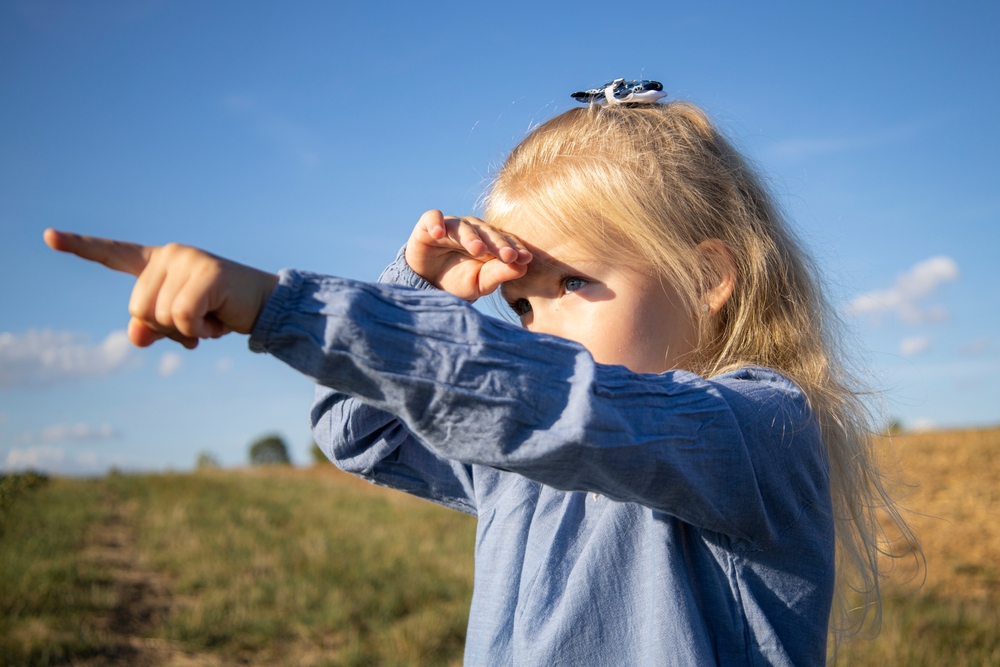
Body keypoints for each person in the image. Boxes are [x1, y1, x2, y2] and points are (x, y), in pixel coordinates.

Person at [45, 82, 915, 666]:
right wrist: (417, 287)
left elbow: (555, 405)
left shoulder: (756, 428)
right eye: (522, 307)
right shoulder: (529, 456)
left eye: (574, 283)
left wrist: (281, 303)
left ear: (709, 277)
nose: (541, 329)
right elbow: (365, 431)